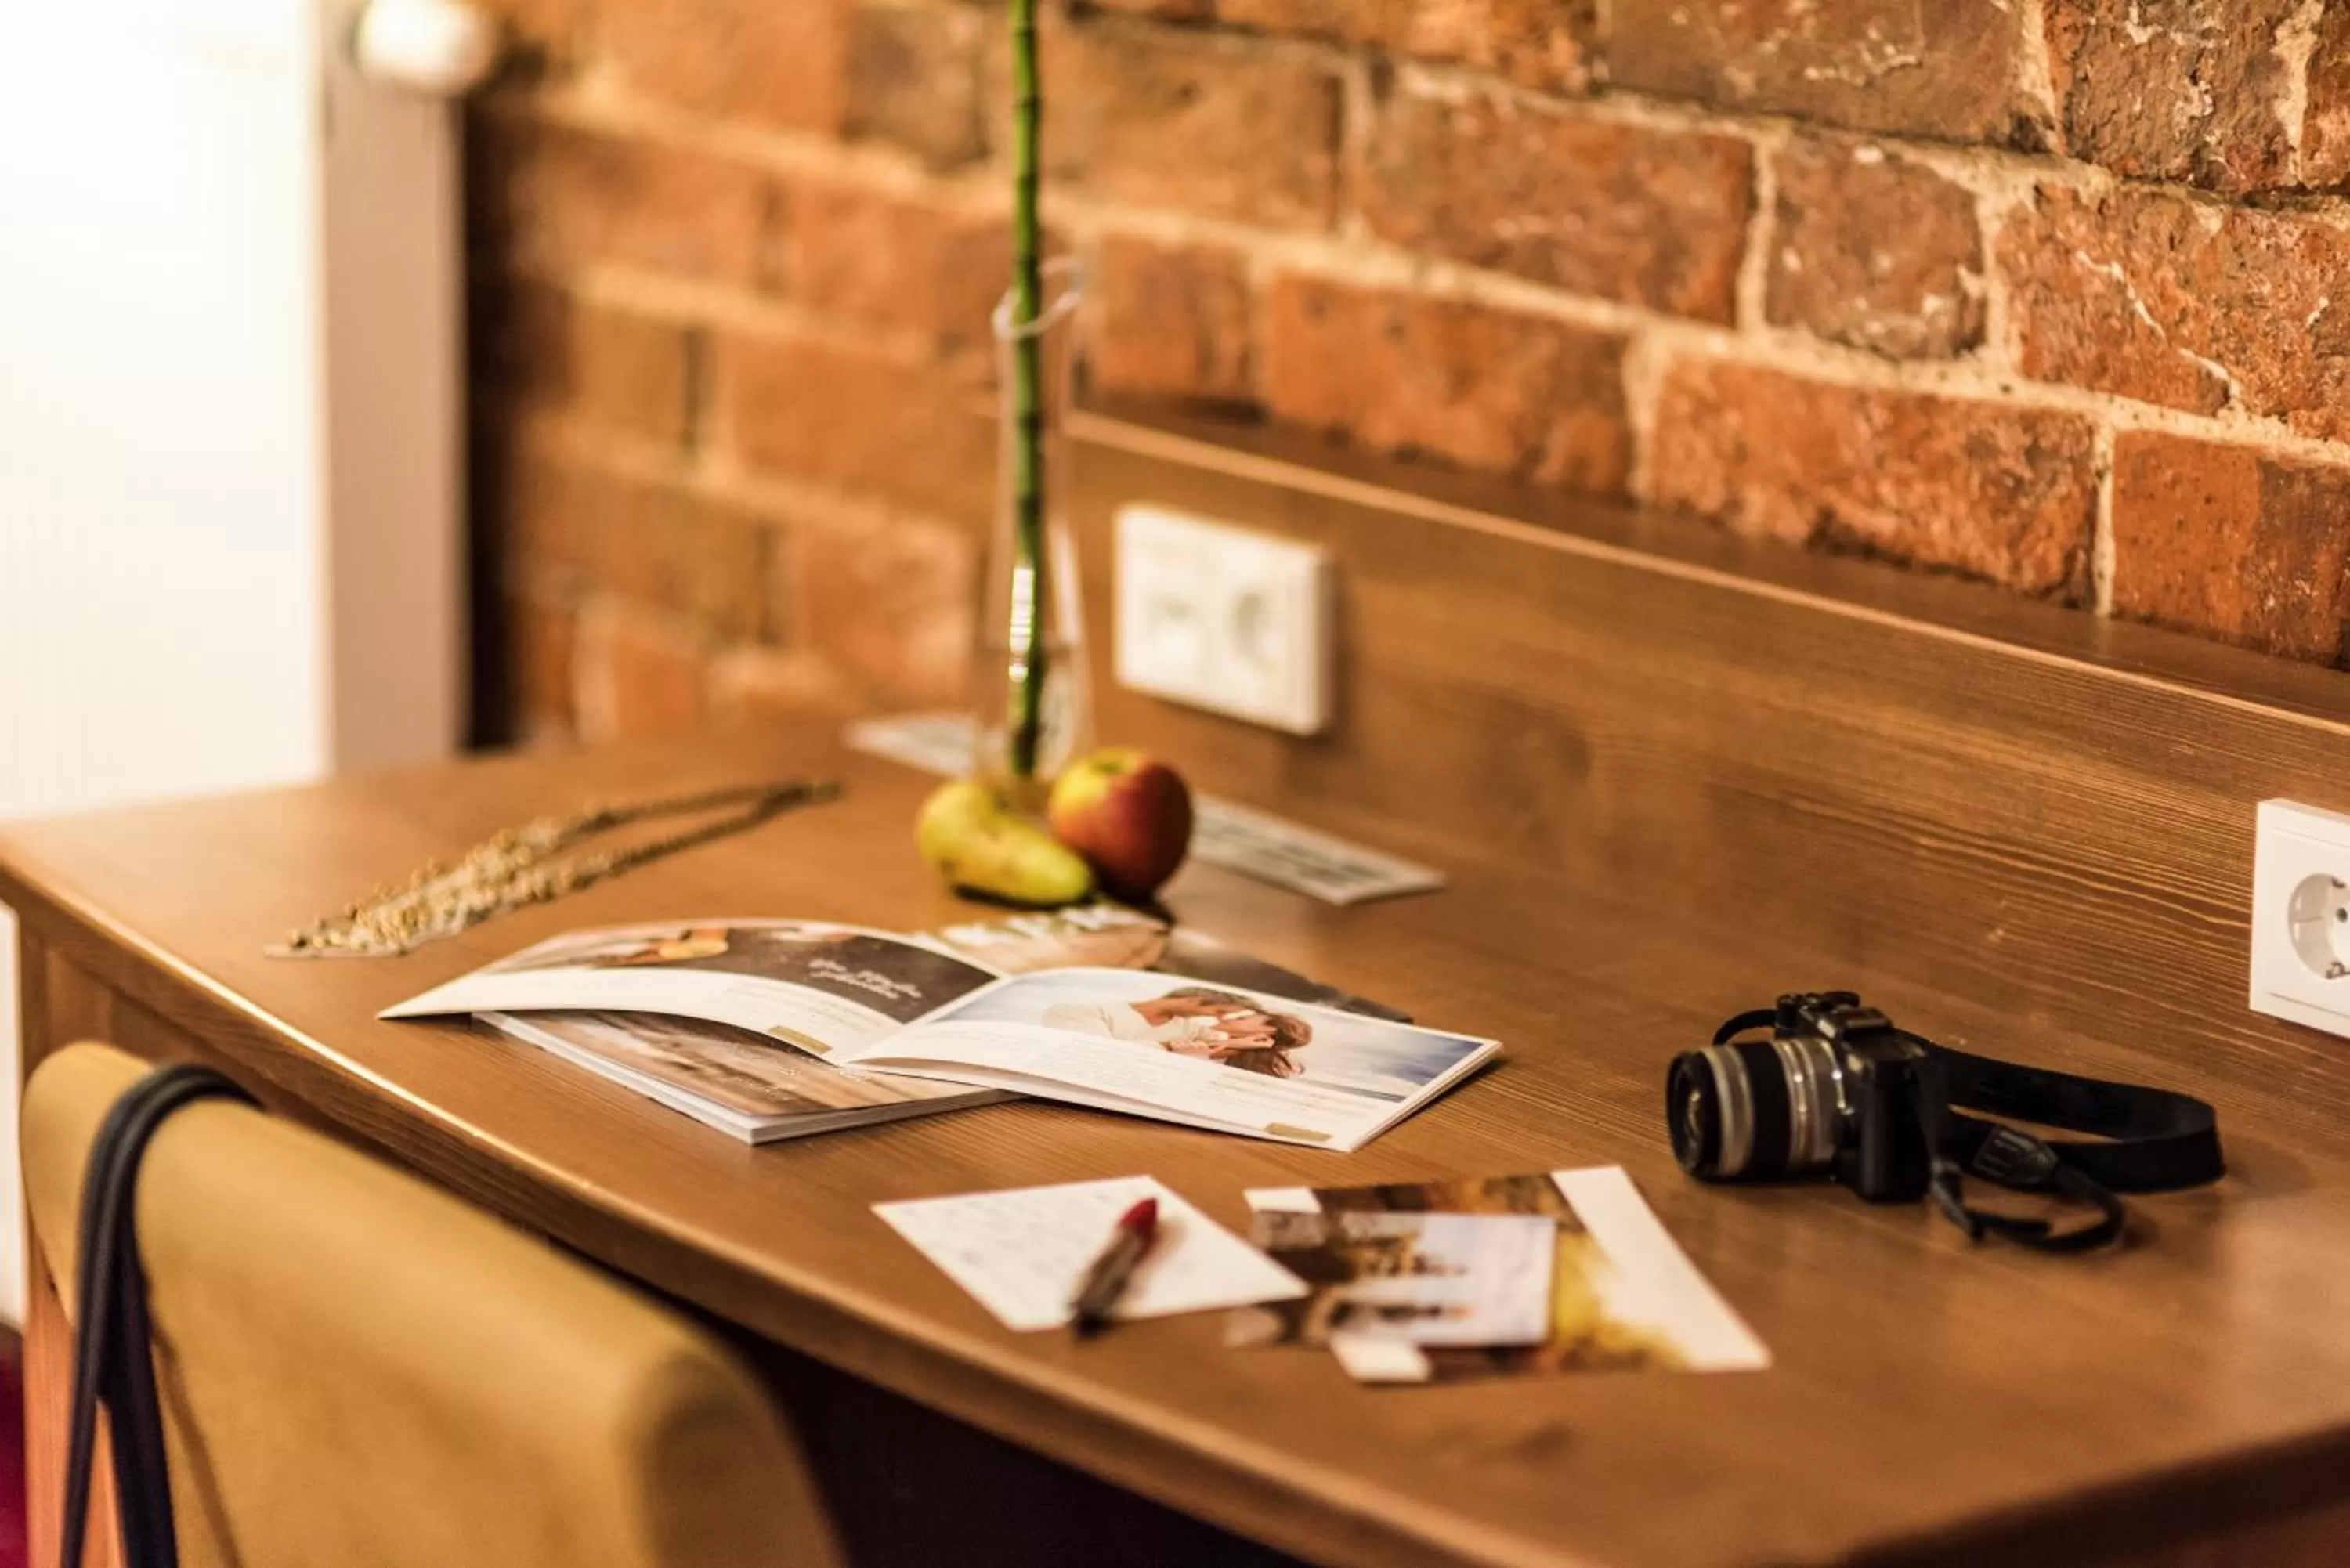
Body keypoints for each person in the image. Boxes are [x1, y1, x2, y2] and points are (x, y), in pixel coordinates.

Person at [1042, 986, 1313, 1078]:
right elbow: (1101, 1056)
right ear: (1195, 1003)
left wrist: (1243, 1043)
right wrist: (1171, 1047)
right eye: (1220, 1012)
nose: (1221, 1019)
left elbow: (1209, 1043)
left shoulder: (1189, 1029)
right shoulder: (1083, 1010)